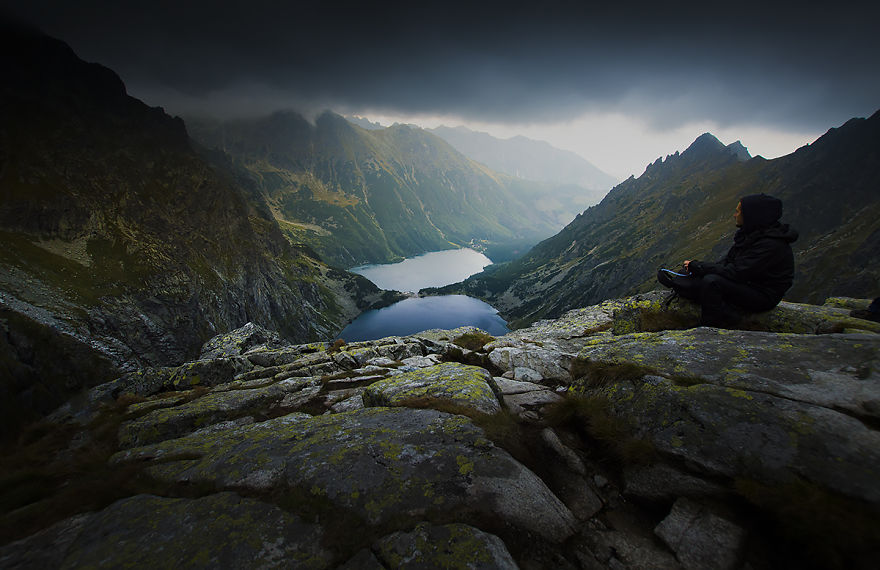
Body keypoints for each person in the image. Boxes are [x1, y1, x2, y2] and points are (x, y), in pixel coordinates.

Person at [657, 193, 798, 327]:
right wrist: (697, 267)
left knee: (712, 282)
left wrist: (700, 267)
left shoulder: (770, 245)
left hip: (764, 295)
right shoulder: (753, 235)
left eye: (738, 212)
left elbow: (737, 272)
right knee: (696, 275)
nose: (734, 215)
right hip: (749, 284)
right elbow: (728, 263)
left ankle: (714, 326)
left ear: (751, 215)